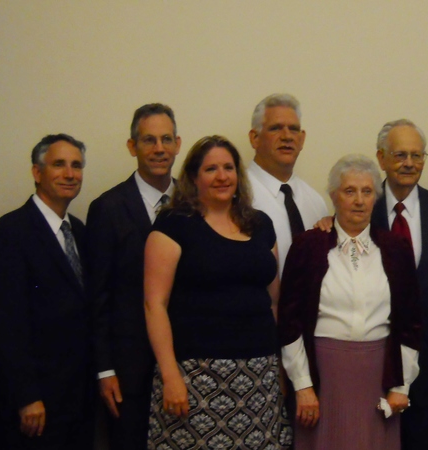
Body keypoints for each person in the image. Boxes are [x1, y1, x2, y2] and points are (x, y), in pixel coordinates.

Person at [144, 135, 292, 449]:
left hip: (259, 376)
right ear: (194, 178)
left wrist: (280, 366)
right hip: (195, 377)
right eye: (211, 169)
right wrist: (170, 376)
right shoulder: (173, 224)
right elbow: (154, 304)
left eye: (228, 168)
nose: (222, 176)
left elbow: (274, 300)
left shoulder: (261, 224)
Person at [278, 154, 422, 450]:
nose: (359, 200)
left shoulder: (395, 249)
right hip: (324, 377)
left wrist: (401, 385)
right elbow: (290, 322)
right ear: (333, 195)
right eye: (349, 191)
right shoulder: (308, 246)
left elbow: (410, 322)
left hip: (379, 375)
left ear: (375, 197)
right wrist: (303, 386)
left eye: (367, 192)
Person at [0, 134, 93, 449]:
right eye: (59, 164)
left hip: (78, 400)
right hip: (36, 406)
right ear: (37, 172)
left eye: (76, 165)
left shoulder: (81, 232)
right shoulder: (8, 234)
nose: (70, 174)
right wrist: (26, 396)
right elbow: (3, 326)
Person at [85, 103, 181, 450]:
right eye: (149, 140)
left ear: (178, 144)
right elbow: (97, 298)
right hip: (129, 369)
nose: (159, 149)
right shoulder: (107, 208)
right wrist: (105, 369)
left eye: (166, 139)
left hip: (187, 360)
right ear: (132, 146)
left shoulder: (194, 204)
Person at [371, 119, 428, 450]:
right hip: (373, 354)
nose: (409, 163)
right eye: (399, 155)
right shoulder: (360, 210)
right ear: (381, 158)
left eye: (416, 155)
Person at [247, 93, 328, 276]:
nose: (287, 136)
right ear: (254, 138)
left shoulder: (316, 202)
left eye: (293, 129)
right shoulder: (237, 196)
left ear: (302, 139)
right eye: (275, 128)